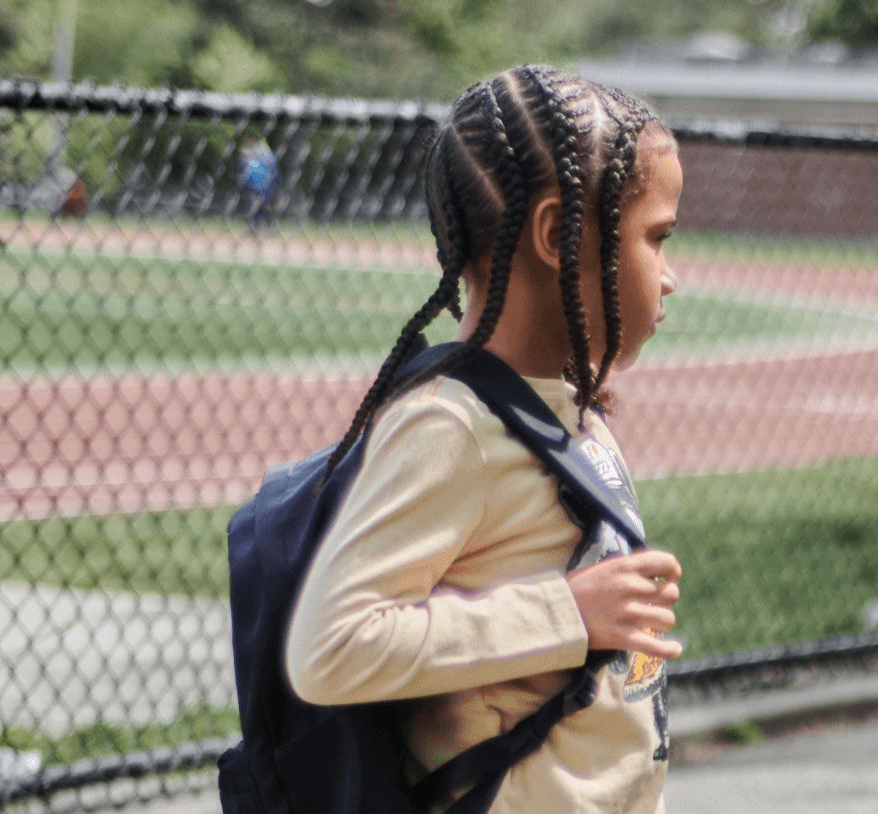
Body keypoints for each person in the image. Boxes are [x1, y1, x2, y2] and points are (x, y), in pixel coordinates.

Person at [281, 65, 687, 813]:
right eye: (655, 239)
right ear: (557, 235)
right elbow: (330, 648)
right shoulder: (450, 426)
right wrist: (569, 615)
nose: (671, 276)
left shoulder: (569, 406)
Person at [238, 135, 278, 233]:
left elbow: (243, 167)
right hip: (259, 184)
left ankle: (260, 227)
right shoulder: (266, 153)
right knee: (258, 207)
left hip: (260, 184)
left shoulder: (255, 153)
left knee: (260, 207)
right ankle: (260, 228)